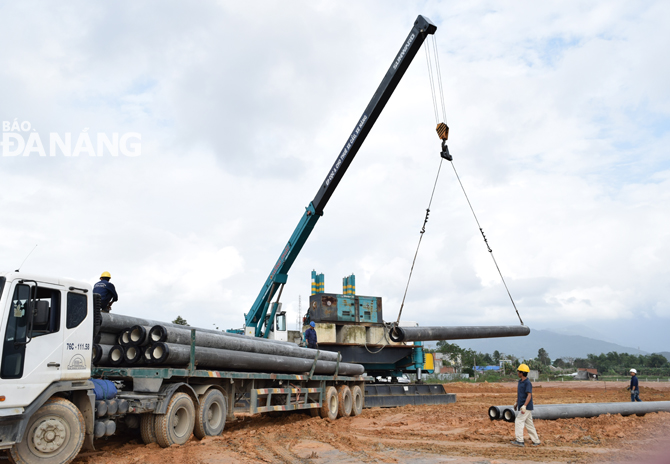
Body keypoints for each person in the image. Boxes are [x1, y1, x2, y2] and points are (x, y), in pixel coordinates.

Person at [510, 363, 541, 447]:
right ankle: (536, 440)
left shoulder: (527, 383)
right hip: (522, 406)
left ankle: (520, 440)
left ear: (522, 373)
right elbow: (520, 394)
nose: (517, 373)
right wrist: (517, 403)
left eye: (518, 371)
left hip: (526, 407)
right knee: (529, 424)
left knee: (519, 421)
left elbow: (529, 395)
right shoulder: (520, 382)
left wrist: (524, 406)